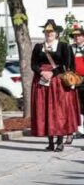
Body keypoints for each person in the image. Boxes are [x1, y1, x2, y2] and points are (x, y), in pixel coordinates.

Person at [30, 19, 80, 152]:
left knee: (59, 111)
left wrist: (52, 73)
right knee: (44, 110)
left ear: (56, 33)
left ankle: (60, 142)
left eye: (51, 31)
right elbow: (33, 64)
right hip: (42, 82)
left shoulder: (64, 46)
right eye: (47, 32)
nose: (49, 34)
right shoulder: (38, 47)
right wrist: (41, 72)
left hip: (58, 82)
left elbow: (67, 65)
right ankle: (50, 142)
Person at [70, 22, 84, 137]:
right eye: (75, 36)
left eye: (79, 36)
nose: (77, 38)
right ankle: (79, 128)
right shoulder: (70, 49)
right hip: (75, 80)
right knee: (77, 104)